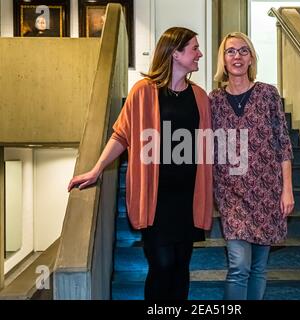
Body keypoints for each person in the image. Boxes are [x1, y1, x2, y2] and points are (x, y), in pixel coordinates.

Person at [68, 27, 213, 300]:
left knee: (181, 266)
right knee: (162, 265)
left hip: (188, 198)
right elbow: (121, 134)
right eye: (194, 48)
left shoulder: (200, 97)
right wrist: (97, 169)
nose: (200, 54)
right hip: (155, 199)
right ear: (175, 53)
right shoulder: (143, 92)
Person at [209, 32, 294, 300]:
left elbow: (283, 143)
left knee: (258, 268)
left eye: (244, 51)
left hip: (268, 191)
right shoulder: (212, 100)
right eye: (231, 51)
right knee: (239, 266)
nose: (237, 56)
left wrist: (287, 189)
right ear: (223, 59)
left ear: (251, 57)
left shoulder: (268, 94)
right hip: (230, 192)